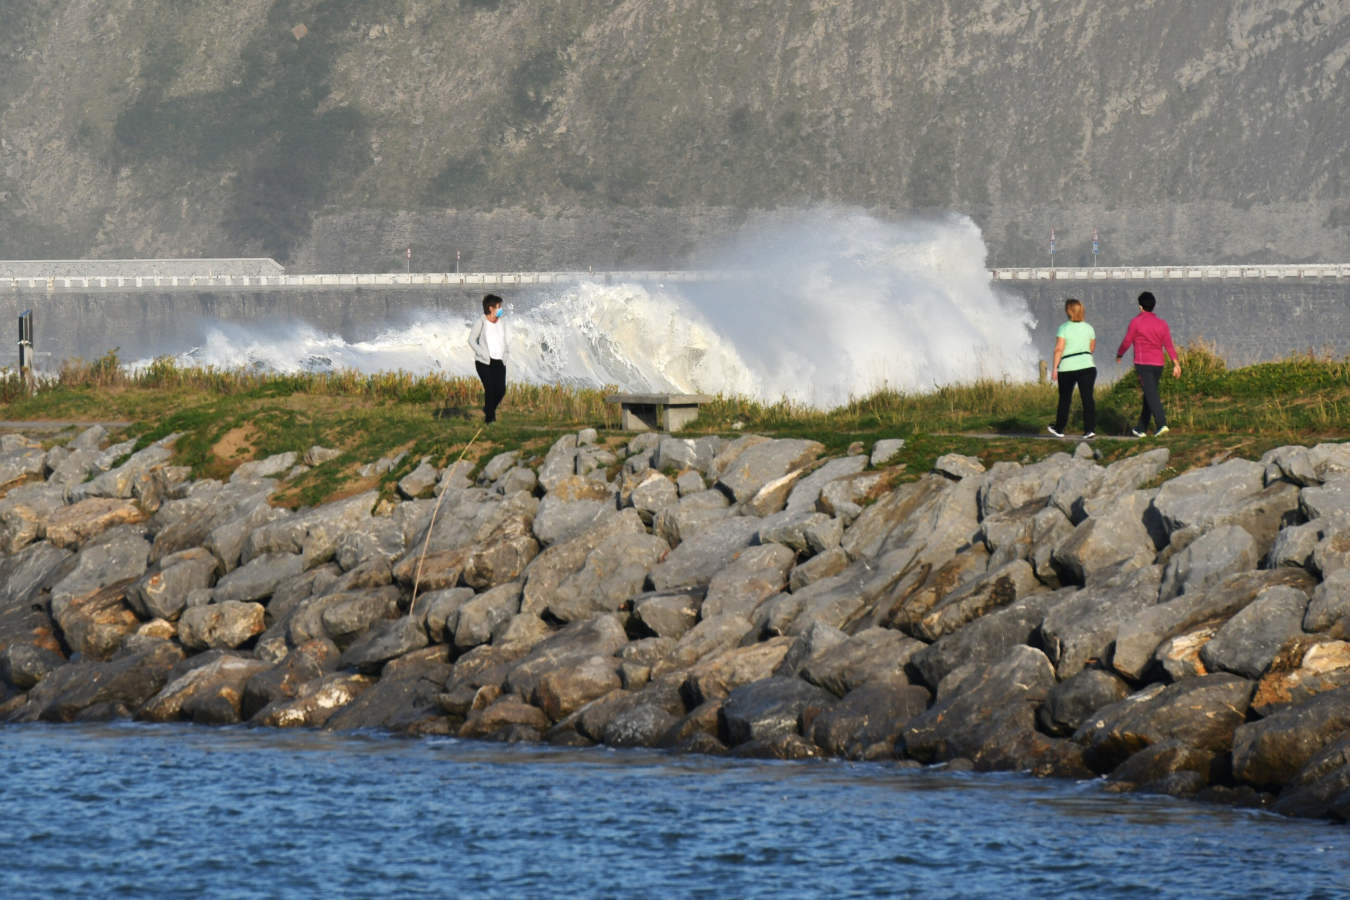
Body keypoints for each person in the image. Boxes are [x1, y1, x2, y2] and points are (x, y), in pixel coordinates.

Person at [1116, 290, 1181, 437]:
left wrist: (1120, 354)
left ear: (1140, 307)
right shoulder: (1162, 324)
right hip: (1158, 364)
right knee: (1149, 394)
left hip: (1143, 364)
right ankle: (1141, 428)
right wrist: (1176, 364)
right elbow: (1169, 345)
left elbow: (1127, 341)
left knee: (1151, 394)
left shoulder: (1136, 322)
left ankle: (1162, 424)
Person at [1048, 298, 1096, 439]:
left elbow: (1058, 349)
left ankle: (1059, 428)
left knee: (1065, 399)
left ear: (1068, 311)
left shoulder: (1064, 328)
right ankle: (1090, 429)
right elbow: (1091, 348)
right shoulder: (1089, 328)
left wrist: (1055, 368)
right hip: (1087, 366)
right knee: (1087, 399)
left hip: (1068, 367)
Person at [467, 293, 507, 424]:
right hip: (484, 362)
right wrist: (482, 353)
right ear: (491, 308)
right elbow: (471, 340)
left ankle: (488, 409)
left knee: (501, 390)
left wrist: (506, 355)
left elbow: (503, 341)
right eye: (498, 306)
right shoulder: (481, 322)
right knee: (490, 389)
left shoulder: (501, 322)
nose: (501, 309)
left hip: (499, 361)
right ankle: (490, 419)